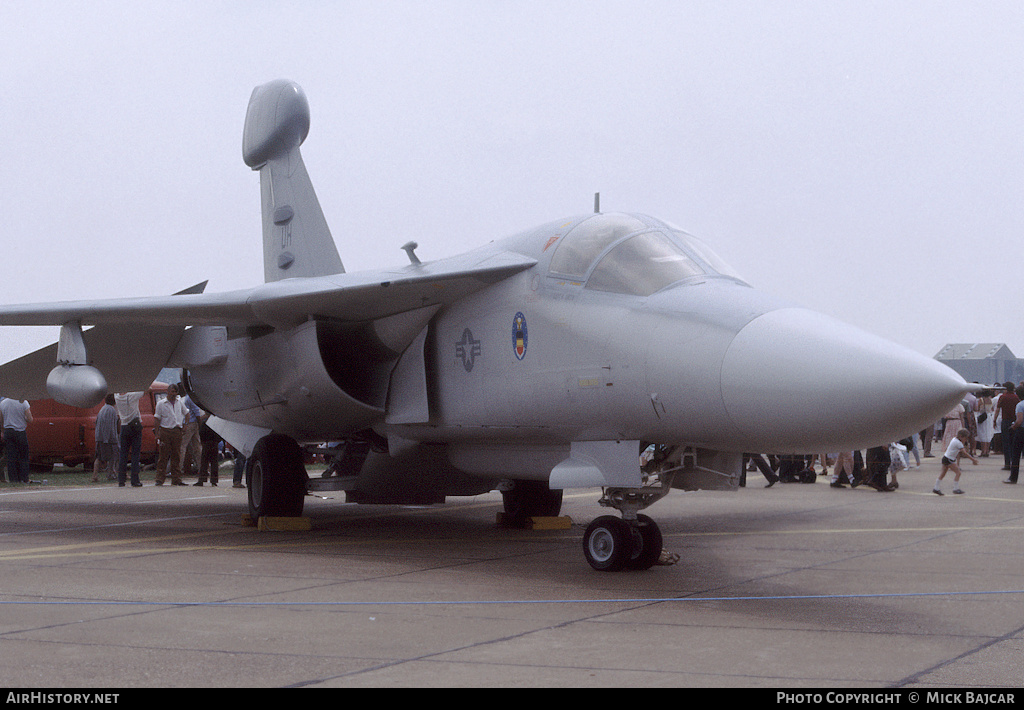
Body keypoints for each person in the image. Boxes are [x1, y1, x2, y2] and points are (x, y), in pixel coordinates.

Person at [154, 384, 187, 486]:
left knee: (176, 455)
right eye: (172, 391)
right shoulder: (161, 404)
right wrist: (157, 433)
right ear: (168, 391)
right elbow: (157, 418)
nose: (173, 394)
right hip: (165, 430)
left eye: (175, 392)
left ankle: (176, 478)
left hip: (176, 430)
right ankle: (160, 478)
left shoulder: (179, 402)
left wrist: (184, 425)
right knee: (163, 456)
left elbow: (186, 413)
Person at [934, 428, 978, 495]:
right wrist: (973, 460)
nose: (966, 440)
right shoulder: (958, 443)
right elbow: (964, 453)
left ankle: (936, 488)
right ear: (961, 437)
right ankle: (955, 488)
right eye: (965, 438)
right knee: (958, 472)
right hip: (949, 459)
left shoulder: (954, 439)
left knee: (943, 473)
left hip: (946, 458)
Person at [115, 391, 145, 487]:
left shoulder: (117, 397)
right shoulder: (133, 395)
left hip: (124, 425)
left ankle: (121, 479)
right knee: (135, 454)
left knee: (123, 454)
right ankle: (135, 479)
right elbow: (148, 388)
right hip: (134, 425)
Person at [0, 398, 32, 483]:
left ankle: (13, 479)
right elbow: (29, 419)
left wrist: (3, 432)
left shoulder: (3, 403)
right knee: (23, 456)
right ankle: (24, 478)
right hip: (20, 431)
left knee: (11, 457)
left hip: (8, 431)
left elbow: (1, 420)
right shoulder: (24, 402)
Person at [92, 394, 119, 482]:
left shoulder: (102, 409)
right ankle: (110, 473)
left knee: (99, 457)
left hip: (99, 437)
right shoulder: (111, 410)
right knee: (113, 456)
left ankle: (94, 475)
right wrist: (108, 439)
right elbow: (109, 425)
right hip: (108, 439)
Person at [179, 394, 204, 480]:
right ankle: (202, 468)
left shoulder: (188, 398)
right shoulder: (188, 398)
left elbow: (196, 412)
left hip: (190, 423)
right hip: (194, 423)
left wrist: (199, 424)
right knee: (197, 447)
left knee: (182, 446)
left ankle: (178, 469)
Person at [994, 382, 1018, 471]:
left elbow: (997, 409)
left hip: (1005, 421)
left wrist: (994, 420)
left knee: (1006, 443)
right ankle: (1014, 463)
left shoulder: (1003, 397)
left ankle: (1007, 464)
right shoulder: (1016, 397)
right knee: (1013, 443)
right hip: (1014, 422)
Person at [194, 415, 222, 486]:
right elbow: (220, 434)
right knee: (214, 462)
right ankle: (214, 480)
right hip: (214, 443)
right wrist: (217, 441)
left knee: (204, 462)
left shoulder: (205, 423)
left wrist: (203, 441)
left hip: (206, 443)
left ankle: (202, 479)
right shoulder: (217, 424)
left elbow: (201, 433)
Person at [1006, 384, 1024, 485]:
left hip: (1021, 431)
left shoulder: (1020, 405)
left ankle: (1013, 477)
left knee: (1016, 454)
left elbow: (1019, 421)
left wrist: (1013, 427)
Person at [974, 389, 994, 457]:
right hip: (989, 417)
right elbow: (992, 409)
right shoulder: (991, 400)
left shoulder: (981, 400)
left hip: (982, 417)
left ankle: (983, 451)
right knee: (988, 434)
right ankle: (987, 451)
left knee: (982, 434)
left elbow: (977, 409)